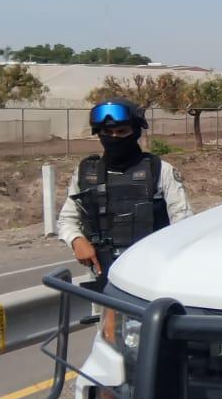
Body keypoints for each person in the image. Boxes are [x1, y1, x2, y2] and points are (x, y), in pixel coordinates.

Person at [56, 99, 192, 282]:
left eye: (122, 132)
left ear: (135, 132)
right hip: (102, 275)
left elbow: (184, 222)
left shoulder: (159, 169)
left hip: (152, 273)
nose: (114, 137)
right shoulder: (86, 173)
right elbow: (67, 219)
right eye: (108, 132)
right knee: (103, 311)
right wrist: (76, 240)